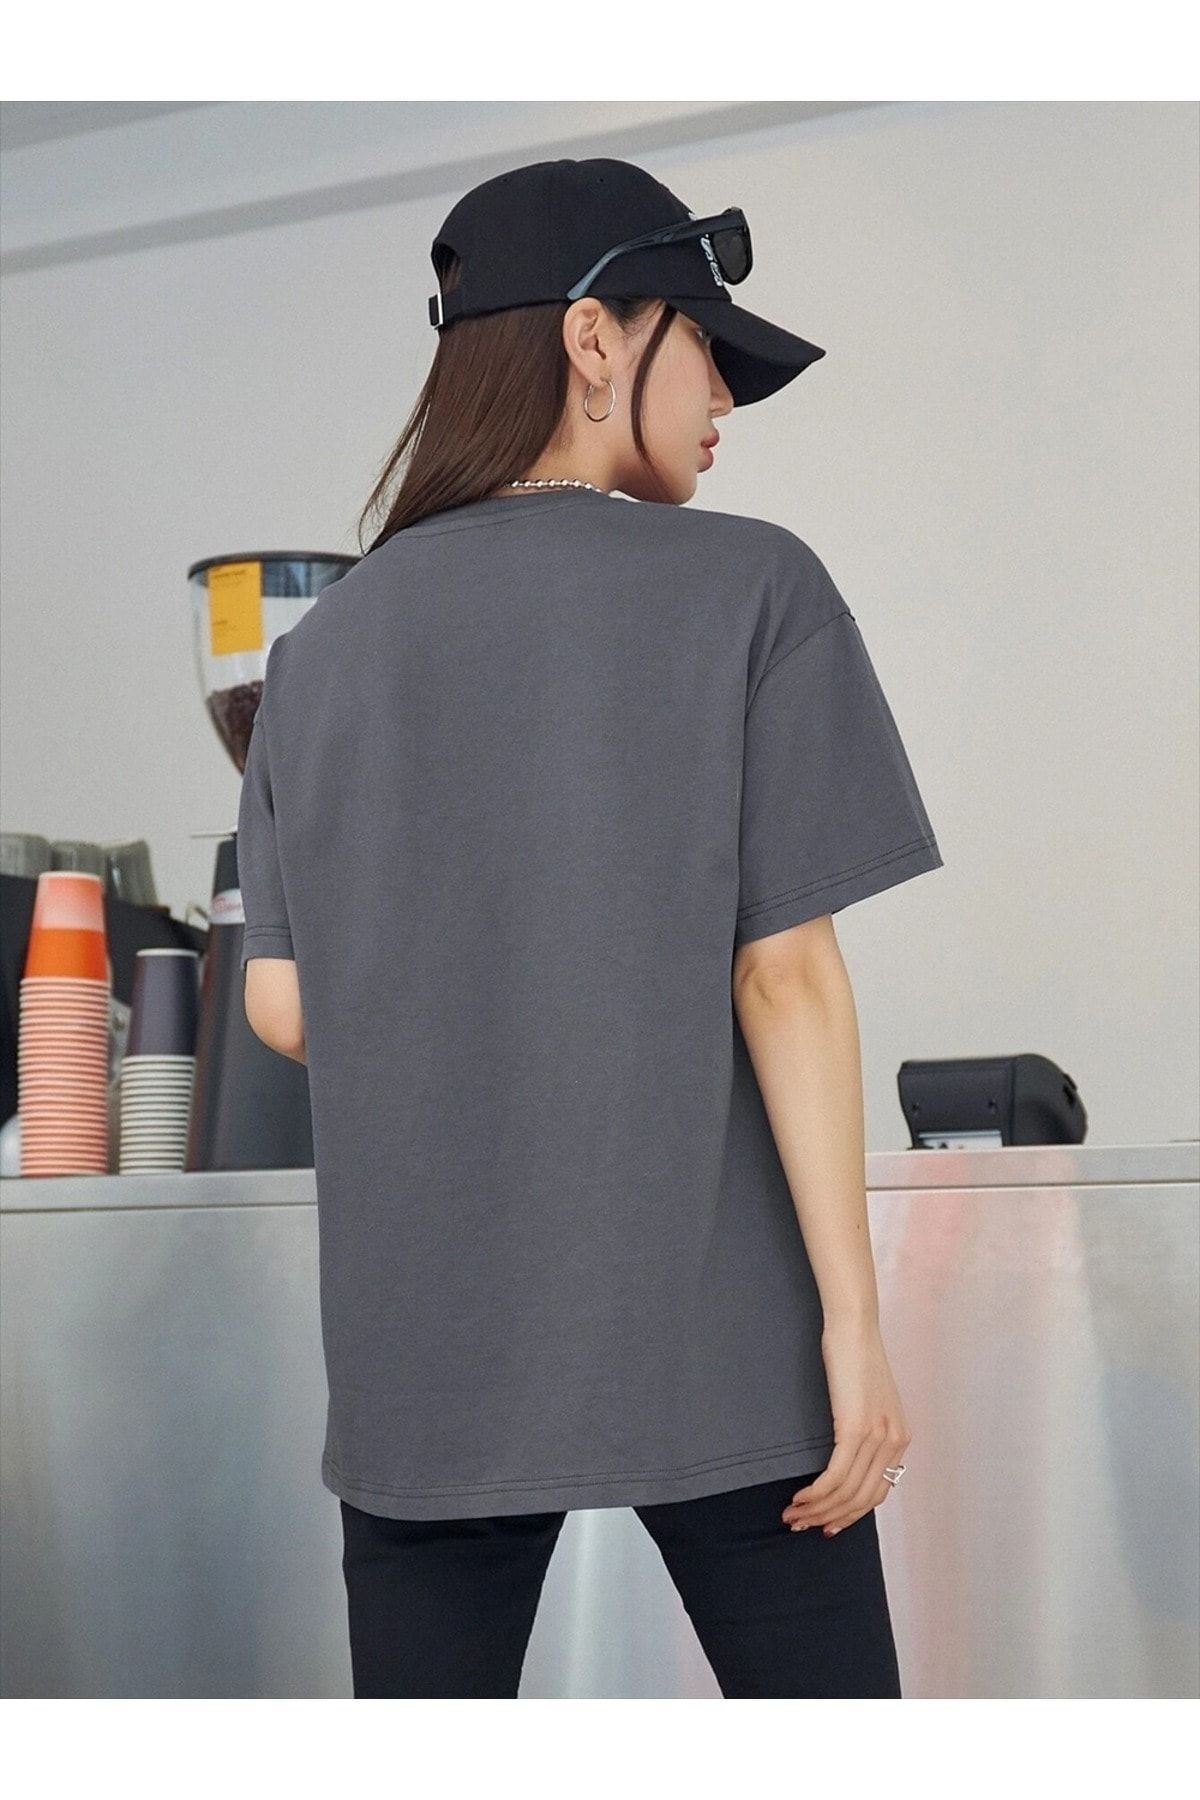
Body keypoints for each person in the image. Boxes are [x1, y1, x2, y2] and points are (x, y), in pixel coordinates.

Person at [236, 156, 945, 1699]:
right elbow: (786, 976)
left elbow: (280, 1007)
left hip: (426, 1366)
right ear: (593, 338)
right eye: (707, 347)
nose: (726, 397)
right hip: (724, 1345)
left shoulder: (321, 652)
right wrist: (853, 1325)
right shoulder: (755, 587)